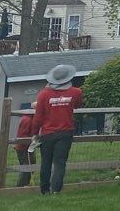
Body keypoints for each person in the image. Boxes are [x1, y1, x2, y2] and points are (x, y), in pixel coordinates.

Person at [33, 64, 84, 195]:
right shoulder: (76, 92)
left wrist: (35, 133)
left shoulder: (43, 94)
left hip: (47, 133)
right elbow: (77, 105)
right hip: (66, 132)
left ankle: (44, 190)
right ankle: (56, 190)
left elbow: (38, 117)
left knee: (46, 162)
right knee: (60, 163)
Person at [13, 101, 36, 188]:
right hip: (23, 147)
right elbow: (23, 136)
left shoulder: (30, 118)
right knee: (26, 166)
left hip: (28, 146)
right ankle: (21, 186)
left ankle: (26, 184)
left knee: (31, 164)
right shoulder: (27, 119)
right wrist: (31, 142)